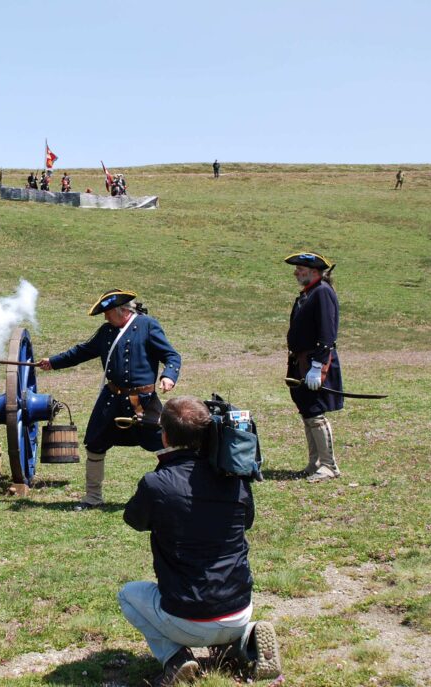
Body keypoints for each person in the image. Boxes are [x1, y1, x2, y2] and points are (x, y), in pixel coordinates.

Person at [118, 396, 280, 686]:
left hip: (185, 617)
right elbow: (248, 522)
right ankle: (245, 638)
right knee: (224, 615)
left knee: (128, 594)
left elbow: (134, 520)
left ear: (164, 435)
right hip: (239, 608)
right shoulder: (235, 476)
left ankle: (175, 659)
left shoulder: (157, 484)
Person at [38, 289, 181, 509]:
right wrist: (53, 362)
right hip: (111, 399)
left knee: (166, 445)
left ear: (121, 311)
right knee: (94, 444)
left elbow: (172, 356)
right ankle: (93, 498)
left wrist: (168, 376)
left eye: (107, 313)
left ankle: (175, 494)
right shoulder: (106, 332)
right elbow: (81, 352)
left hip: (142, 401)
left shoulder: (147, 325)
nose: (105, 317)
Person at [285, 252, 343, 482]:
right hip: (302, 361)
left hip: (314, 361)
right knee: (308, 411)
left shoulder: (323, 293)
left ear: (315, 271)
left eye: (301, 269)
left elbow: (328, 333)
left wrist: (318, 366)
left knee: (316, 413)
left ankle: (329, 466)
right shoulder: (309, 293)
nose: (296, 272)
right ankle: (315, 462)